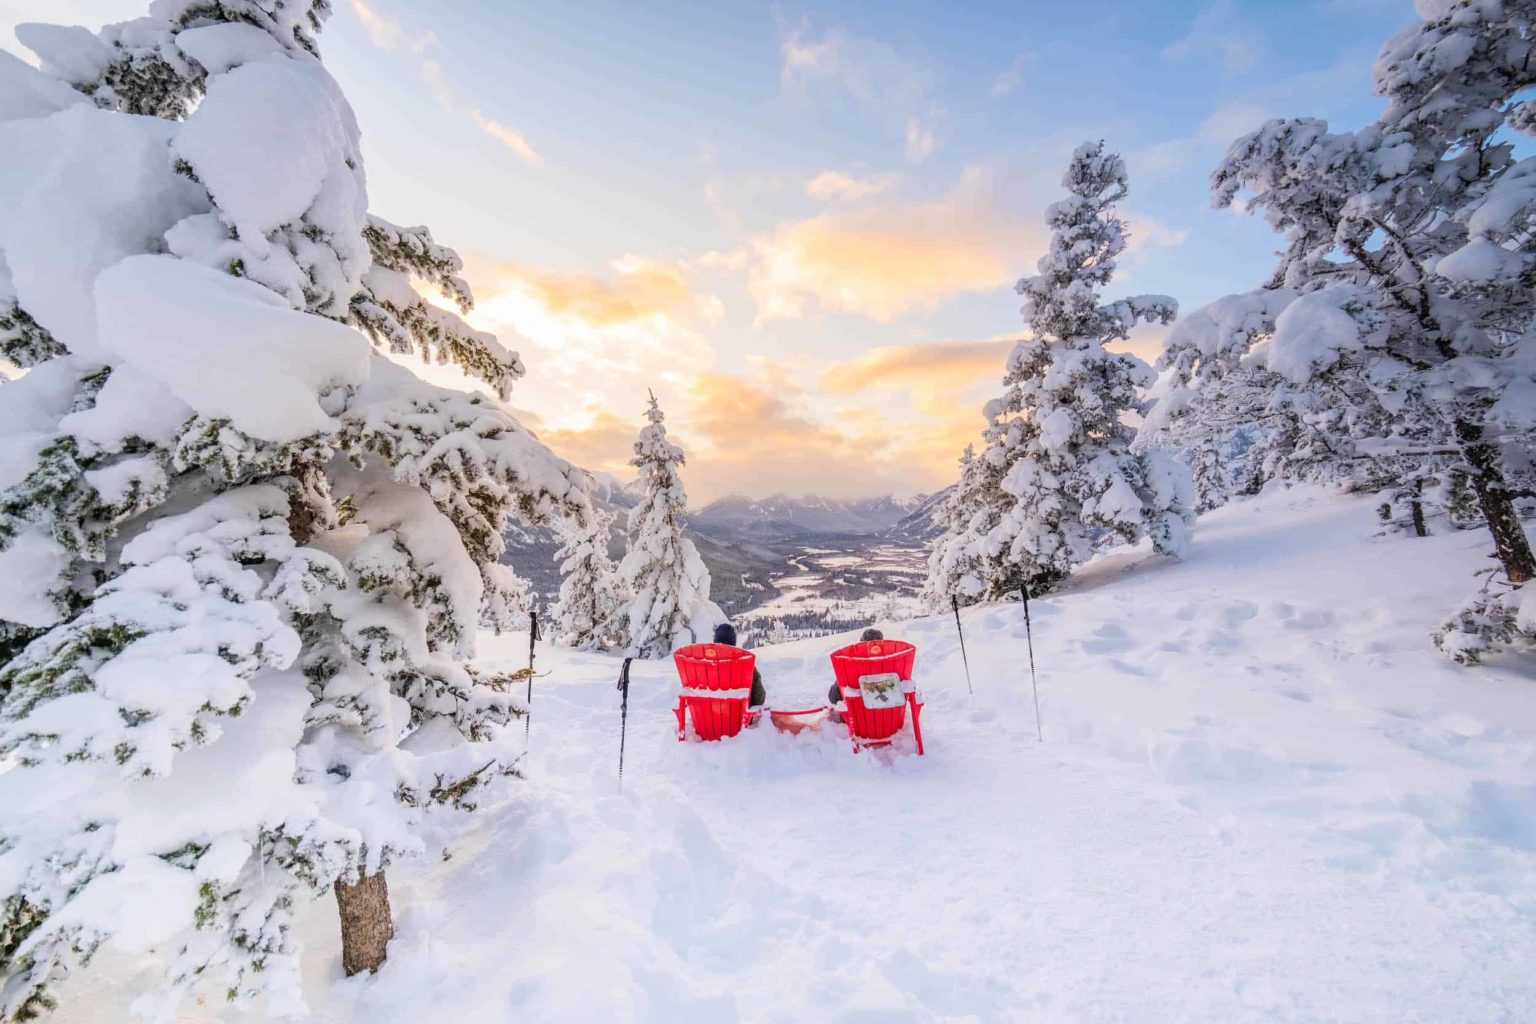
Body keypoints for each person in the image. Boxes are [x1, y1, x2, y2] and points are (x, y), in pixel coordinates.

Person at [713, 622, 765, 707]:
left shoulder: (702, 666)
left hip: (706, 716)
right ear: (734, 642)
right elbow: (759, 699)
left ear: (715, 641)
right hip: (738, 716)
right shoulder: (746, 665)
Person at [828, 628, 883, 708]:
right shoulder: (892, 665)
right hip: (888, 715)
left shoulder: (851, 667)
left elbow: (833, 697)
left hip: (858, 716)